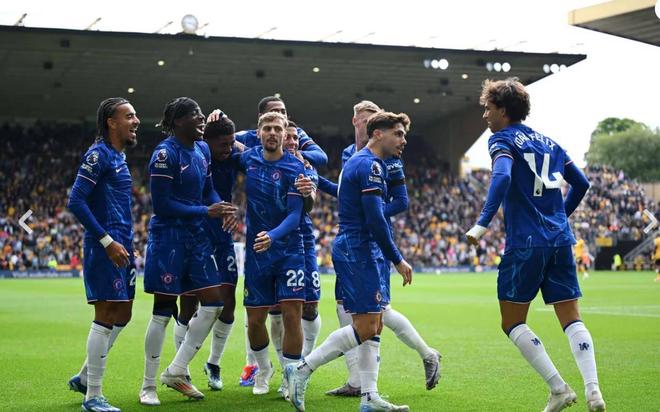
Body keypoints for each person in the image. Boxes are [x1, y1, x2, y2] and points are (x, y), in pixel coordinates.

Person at [465, 77, 605, 412]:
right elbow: (581, 183)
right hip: (560, 240)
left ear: (503, 110)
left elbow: (502, 176)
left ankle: (559, 388)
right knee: (571, 318)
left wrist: (482, 223)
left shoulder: (501, 139)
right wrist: (559, 217)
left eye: (488, 108)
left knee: (512, 322)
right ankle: (593, 391)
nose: (485, 115)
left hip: (526, 243)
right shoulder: (550, 143)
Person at [285, 112, 413, 412]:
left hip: (360, 248)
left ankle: (369, 397)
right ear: (377, 134)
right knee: (366, 325)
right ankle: (301, 369)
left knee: (375, 323)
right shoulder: (370, 165)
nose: (403, 140)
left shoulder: (363, 162)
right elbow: (376, 219)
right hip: (358, 249)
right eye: (397, 133)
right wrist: (397, 259)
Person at [317, 101, 440, 396]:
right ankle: (356, 381)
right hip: (353, 238)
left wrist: (372, 214)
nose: (369, 123)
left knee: (378, 310)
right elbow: (346, 192)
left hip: (373, 239)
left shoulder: (391, 159)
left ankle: (425, 354)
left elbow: (402, 201)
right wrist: (317, 181)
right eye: (365, 119)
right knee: (345, 305)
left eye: (374, 118)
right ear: (356, 122)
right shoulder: (350, 154)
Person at [139, 97, 237, 404]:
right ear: (179, 120)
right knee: (163, 310)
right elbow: (162, 205)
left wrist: (220, 206)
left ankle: (177, 370)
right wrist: (206, 211)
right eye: (196, 115)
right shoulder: (164, 154)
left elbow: (208, 190)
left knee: (214, 303)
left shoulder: (203, 150)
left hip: (196, 236)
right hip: (168, 237)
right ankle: (148, 386)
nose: (202, 118)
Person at [232, 96, 327, 386]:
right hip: (257, 252)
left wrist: (272, 236)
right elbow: (221, 147)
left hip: (289, 250)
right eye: (267, 128)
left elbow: (296, 214)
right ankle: (263, 369)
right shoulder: (247, 159)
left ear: (285, 134)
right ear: (259, 133)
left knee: (292, 315)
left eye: (278, 129)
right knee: (255, 318)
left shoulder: (297, 167)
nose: (272, 133)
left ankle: (291, 379)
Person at [67, 97, 140, 412]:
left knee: (124, 313)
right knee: (106, 314)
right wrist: (107, 241)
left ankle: (85, 376)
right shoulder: (98, 155)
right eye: (129, 116)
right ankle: (92, 396)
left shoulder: (118, 156)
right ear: (111, 122)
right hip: (105, 247)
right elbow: (76, 200)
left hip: (123, 246)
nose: (136, 121)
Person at [200, 114, 243, 390]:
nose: (228, 149)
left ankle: (214, 362)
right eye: (223, 144)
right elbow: (208, 191)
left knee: (228, 300)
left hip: (223, 235)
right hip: (198, 232)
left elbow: (253, 142)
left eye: (231, 143)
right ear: (207, 141)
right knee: (191, 302)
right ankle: (181, 370)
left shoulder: (234, 156)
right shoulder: (198, 156)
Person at [284, 121, 322, 360]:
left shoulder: (307, 166)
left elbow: (310, 205)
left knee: (310, 305)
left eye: (295, 138)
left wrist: (308, 193)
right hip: (272, 237)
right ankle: (262, 367)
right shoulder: (261, 161)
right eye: (288, 137)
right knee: (274, 309)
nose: (292, 142)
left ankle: (305, 359)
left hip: (302, 238)